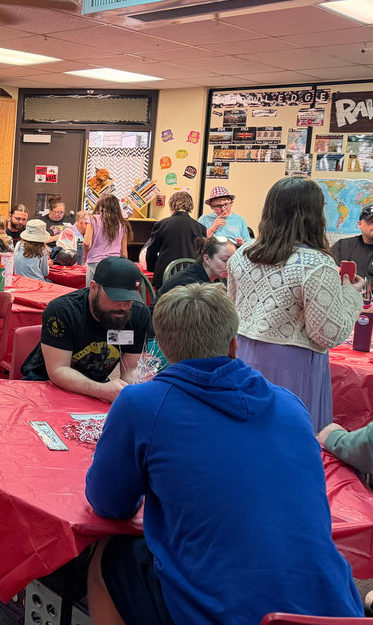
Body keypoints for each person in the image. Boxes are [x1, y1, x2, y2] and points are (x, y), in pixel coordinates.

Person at [85, 283, 363, 625]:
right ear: (234, 343)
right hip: (334, 609)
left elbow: (108, 503)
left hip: (222, 611)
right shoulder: (291, 405)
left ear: (164, 348)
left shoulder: (141, 404)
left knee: (107, 557)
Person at [227, 176, 363, 432]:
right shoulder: (315, 264)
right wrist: (350, 295)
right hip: (294, 365)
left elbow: (232, 310)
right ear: (314, 215)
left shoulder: (243, 255)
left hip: (242, 355)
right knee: (289, 440)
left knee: (247, 435)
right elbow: (327, 334)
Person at [21, 256, 152, 402]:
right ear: (94, 288)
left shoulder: (138, 315)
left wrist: (132, 389)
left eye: (129, 299)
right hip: (45, 384)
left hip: (96, 388)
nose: (123, 306)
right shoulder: (63, 311)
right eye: (115, 297)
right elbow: (58, 370)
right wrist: (100, 390)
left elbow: (131, 368)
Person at [143, 190, 206, 289]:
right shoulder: (200, 227)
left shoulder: (161, 224)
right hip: (191, 275)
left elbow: (152, 251)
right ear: (190, 206)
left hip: (165, 275)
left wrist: (152, 268)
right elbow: (201, 254)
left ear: (172, 205)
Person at [155, 236, 236, 300]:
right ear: (207, 259)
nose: (230, 265)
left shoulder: (220, 278)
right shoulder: (188, 283)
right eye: (225, 260)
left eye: (233, 260)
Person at [83, 194, 130, 287]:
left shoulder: (93, 220)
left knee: (91, 293)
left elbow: (86, 243)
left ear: (100, 207)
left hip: (95, 262)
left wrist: (85, 254)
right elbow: (124, 253)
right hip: (115, 264)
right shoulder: (123, 224)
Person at [330, 204, 373, 282]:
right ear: (359, 224)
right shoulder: (342, 246)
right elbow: (326, 268)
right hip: (350, 292)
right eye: (371, 221)